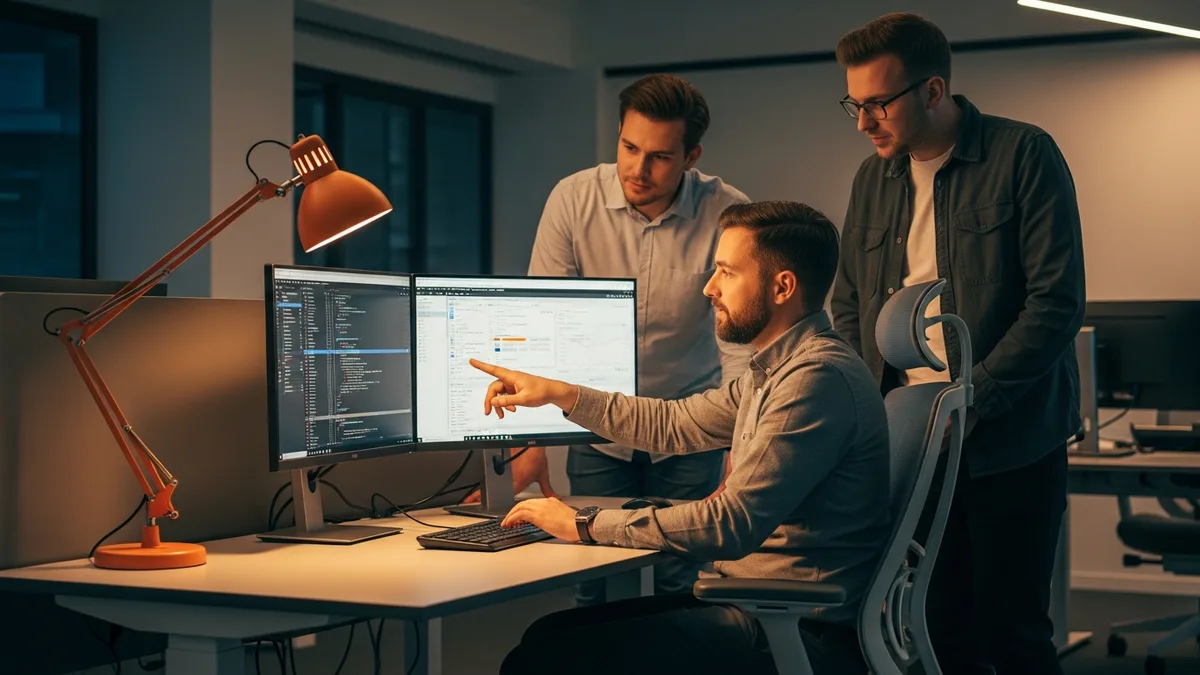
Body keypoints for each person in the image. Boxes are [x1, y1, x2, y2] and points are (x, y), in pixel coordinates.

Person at [470, 201, 891, 675]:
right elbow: (673, 424)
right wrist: (559, 394)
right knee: (547, 634)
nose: (710, 288)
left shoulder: (814, 379)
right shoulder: (778, 370)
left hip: (792, 627)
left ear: (782, 286)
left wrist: (584, 523)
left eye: (727, 273)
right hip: (761, 606)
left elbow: (730, 523)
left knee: (541, 660)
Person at [829, 13, 1086, 675]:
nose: (863, 121)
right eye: (854, 104)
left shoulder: (1023, 153)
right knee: (936, 627)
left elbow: (1056, 302)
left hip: (1009, 437)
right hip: (911, 443)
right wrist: (871, 413)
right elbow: (852, 299)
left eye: (878, 104)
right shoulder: (871, 178)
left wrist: (973, 401)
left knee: (1016, 634)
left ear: (934, 90)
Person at [465, 73, 753, 604]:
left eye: (660, 157)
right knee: (593, 573)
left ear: (692, 157)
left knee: (678, 581)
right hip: (597, 431)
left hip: (689, 428)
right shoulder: (573, 200)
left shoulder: (726, 213)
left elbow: (738, 346)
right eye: (628, 147)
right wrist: (529, 443)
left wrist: (740, 446)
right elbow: (539, 328)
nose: (638, 170)